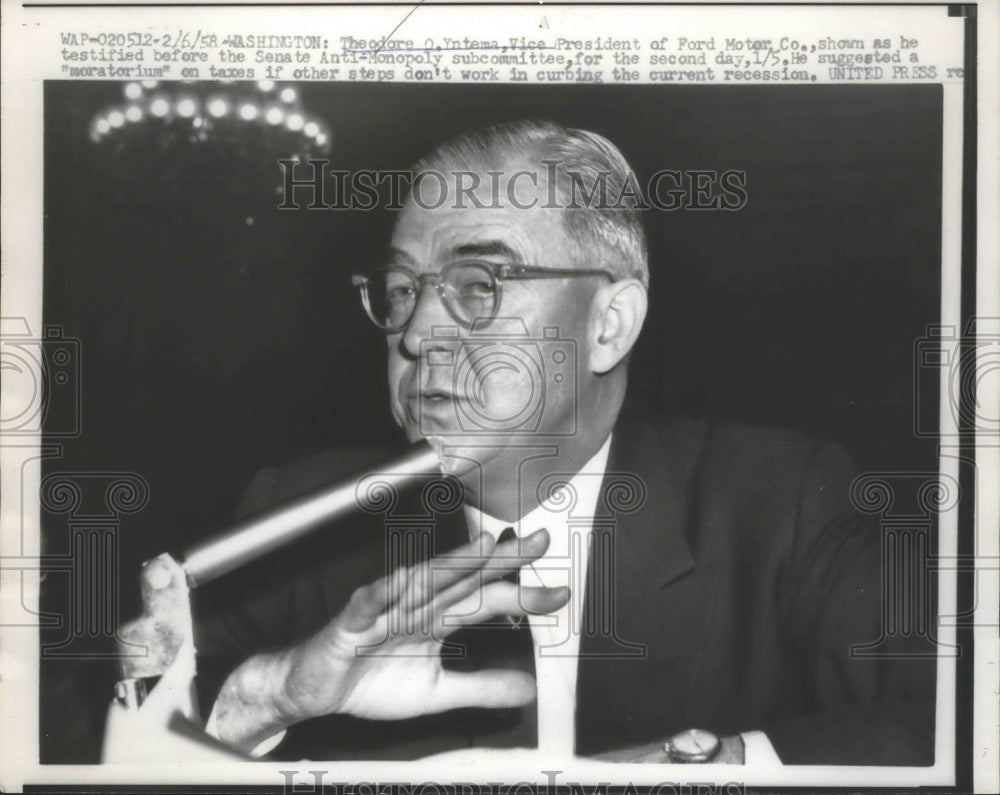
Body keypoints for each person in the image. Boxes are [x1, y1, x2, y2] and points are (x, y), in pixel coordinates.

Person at [193, 120, 935, 764]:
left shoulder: (783, 501)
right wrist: (265, 697)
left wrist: (715, 766)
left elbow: (954, 721)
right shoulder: (299, 518)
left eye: (478, 283)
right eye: (399, 289)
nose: (415, 334)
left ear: (607, 324)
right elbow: (88, 719)